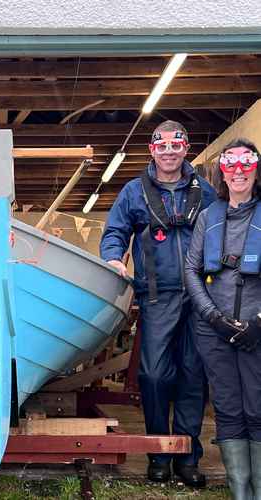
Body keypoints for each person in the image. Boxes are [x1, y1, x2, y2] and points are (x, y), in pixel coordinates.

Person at [99, 120, 216, 486]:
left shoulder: (205, 191)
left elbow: (222, 229)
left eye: (176, 146)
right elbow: (115, 231)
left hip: (200, 295)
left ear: (186, 149)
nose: (169, 152)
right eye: (161, 146)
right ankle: (158, 454)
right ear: (152, 150)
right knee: (152, 375)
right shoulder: (134, 191)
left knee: (192, 376)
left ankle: (186, 457)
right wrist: (113, 258)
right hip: (156, 294)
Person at [185, 139, 261, 499]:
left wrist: (259, 322)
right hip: (214, 331)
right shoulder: (207, 218)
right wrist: (212, 317)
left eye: (247, 162)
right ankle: (240, 493)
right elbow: (191, 270)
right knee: (228, 407)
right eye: (231, 163)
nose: (239, 170)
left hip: (257, 331)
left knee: (258, 408)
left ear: (256, 170)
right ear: (222, 172)